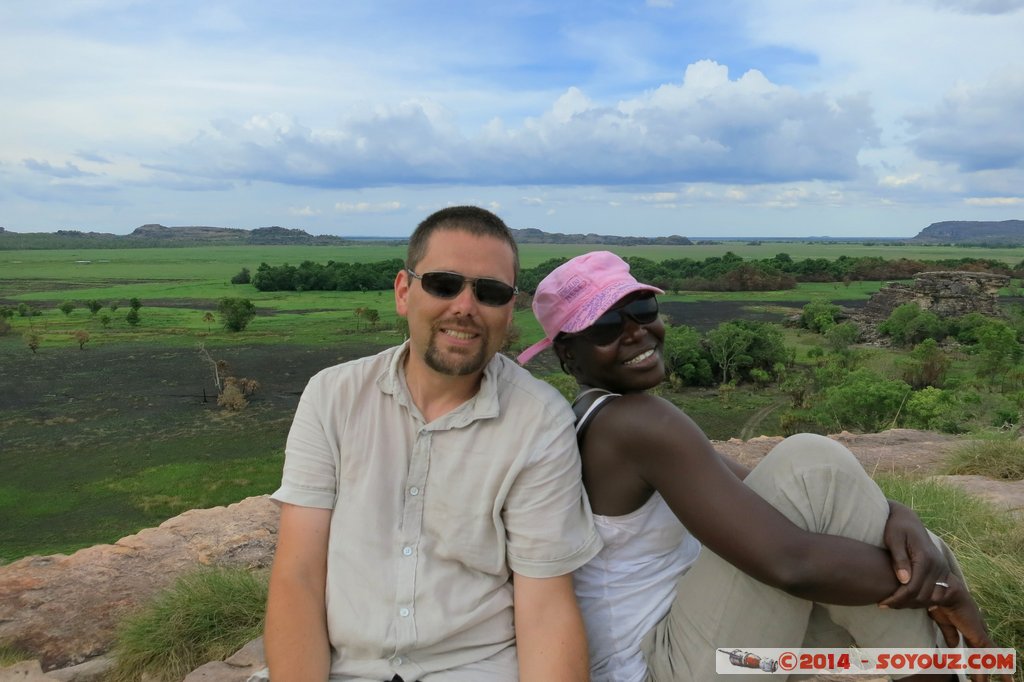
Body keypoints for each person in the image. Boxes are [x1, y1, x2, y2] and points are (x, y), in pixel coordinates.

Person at [517, 251, 1010, 682]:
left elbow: (783, 501)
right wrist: (945, 587)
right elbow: (791, 564)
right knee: (813, 460)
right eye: (605, 326)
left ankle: (940, 669)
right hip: (664, 668)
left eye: (642, 309)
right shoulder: (634, 421)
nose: (636, 331)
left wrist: (897, 512)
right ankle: (947, 671)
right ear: (567, 353)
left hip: (700, 644)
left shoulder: (594, 417)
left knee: (826, 480)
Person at [263, 206, 602, 682]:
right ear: (404, 291)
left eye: (490, 292)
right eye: (443, 284)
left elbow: (545, 605)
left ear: (509, 308)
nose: (464, 306)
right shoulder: (333, 395)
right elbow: (298, 574)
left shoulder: (539, 420)